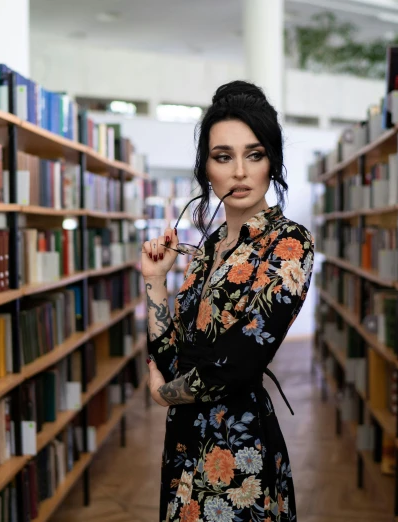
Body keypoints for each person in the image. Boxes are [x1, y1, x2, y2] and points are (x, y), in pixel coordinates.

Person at [142, 80, 314, 522]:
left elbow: (239, 362)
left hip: (239, 452)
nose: (239, 171)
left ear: (271, 162)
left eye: (253, 155)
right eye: (223, 157)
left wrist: (166, 394)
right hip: (183, 444)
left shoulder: (290, 243)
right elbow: (170, 353)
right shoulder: (210, 246)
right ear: (207, 170)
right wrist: (155, 283)